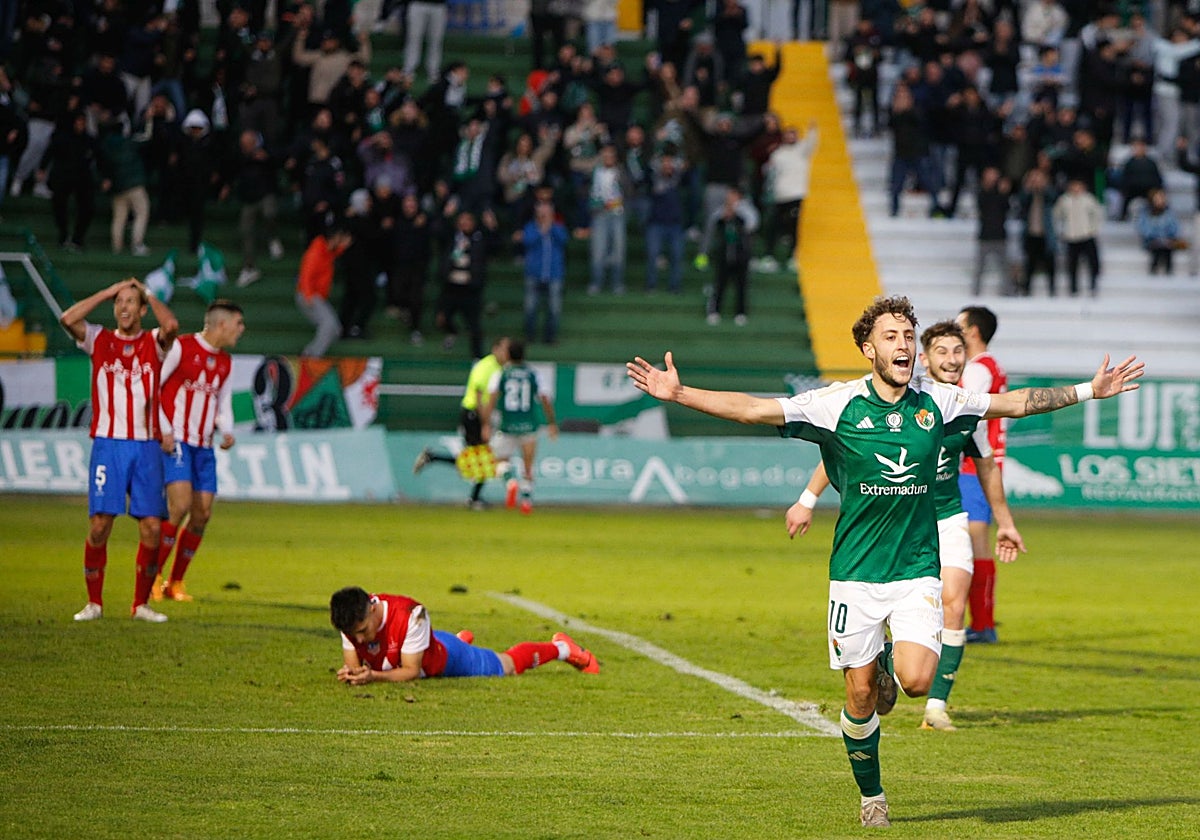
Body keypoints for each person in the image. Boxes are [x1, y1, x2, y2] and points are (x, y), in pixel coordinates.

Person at [626, 295, 1142, 828]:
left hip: (917, 567)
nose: (903, 345)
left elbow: (1013, 403)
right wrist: (679, 393)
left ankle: (894, 659)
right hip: (854, 575)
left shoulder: (939, 401)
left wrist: (1088, 390)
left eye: (906, 335)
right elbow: (754, 409)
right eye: (891, 336)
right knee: (859, 695)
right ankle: (872, 795)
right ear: (867, 347)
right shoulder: (836, 404)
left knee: (917, 682)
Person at [785, 320, 1024, 731]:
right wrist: (808, 499)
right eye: (943, 352)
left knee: (953, 604)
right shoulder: (906, 402)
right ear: (926, 360)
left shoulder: (961, 408)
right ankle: (886, 656)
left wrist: (1005, 522)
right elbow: (844, 452)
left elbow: (987, 467)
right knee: (937, 610)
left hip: (946, 520)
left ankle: (935, 704)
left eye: (958, 352)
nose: (952, 359)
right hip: (897, 524)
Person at [61, 278, 180, 623]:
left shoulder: (153, 344)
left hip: (145, 447)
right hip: (108, 445)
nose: (124, 308)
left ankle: (140, 604)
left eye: (131, 302)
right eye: (120, 302)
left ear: (143, 310)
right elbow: (67, 319)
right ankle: (94, 603)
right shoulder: (99, 339)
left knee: (152, 528)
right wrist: (105, 291)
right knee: (100, 525)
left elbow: (170, 325)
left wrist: (150, 292)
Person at [152, 300, 245, 603]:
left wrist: (227, 429)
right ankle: (151, 575)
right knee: (178, 506)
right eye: (238, 324)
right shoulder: (181, 348)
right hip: (177, 439)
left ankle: (175, 582)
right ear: (222, 324)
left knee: (202, 513)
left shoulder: (226, 363)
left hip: (204, 447)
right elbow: (156, 384)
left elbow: (223, 403)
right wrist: (163, 427)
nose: (240, 330)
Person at [330, 586, 599, 683]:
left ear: (373, 608)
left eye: (363, 631)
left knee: (507, 665)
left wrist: (373, 676)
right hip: (429, 643)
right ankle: (459, 640)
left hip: (446, 661)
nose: (360, 640)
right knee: (427, 644)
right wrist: (354, 675)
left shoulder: (411, 614)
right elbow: (356, 669)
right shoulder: (352, 621)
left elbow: (411, 671)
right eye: (354, 635)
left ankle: (562, 648)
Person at [955, 305, 1008, 645]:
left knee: (973, 545)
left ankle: (980, 623)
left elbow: (963, 408)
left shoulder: (977, 370)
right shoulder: (991, 367)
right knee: (971, 545)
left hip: (975, 467)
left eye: (958, 325)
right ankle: (978, 622)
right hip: (980, 467)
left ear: (973, 332)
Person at [413, 337, 511, 510]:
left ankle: (433, 458)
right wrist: (485, 423)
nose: (507, 354)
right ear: (495, 349)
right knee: (482, 457)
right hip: (473, 414)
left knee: (477, 459)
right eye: (504, 349)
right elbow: (479, 395)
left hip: (478, 415)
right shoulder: (486, 366)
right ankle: (473, 499)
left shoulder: (499, 368)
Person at [484, 340, 558, 515]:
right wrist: (552, 423)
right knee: (528, 466)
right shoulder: (533, 374)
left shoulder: (501, 374)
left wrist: (485, 424)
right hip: (529, 425)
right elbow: (545, 399)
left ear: (508, 354)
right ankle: (526, 501)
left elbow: (491, 399)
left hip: (507, 426)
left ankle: (510, 482)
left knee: (499, 461)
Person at [698, 185, 758, 326]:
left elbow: (752, 224)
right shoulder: (721, 211)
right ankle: (714, 311)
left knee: (741, 285)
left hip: (741, 254)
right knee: (720, 284)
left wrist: (736, 214)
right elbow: (713, 224)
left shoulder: (746, 210)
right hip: (724, 254)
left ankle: (740, 312)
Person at [296, 226, 353, 357]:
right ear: (332, 239)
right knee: (328, 324)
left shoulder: (326, 250)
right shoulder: (315, 253)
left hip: (318, 296)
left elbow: (332, 254)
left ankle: (317, 350)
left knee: (336, 330)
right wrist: (308, 296)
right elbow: (305, 275)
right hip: (309, 294)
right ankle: (310, 354)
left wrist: (343, 247)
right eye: (339, 237)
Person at [522, 200, 569, 344]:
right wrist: (541, 230)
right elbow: (528, 241)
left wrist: (550, 227)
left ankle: (550, 337)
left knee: (554, 308)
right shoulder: (530, 227)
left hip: (554, 274)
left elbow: (564, 240)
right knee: (530, 307)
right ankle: (529, 336)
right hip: (534, 274)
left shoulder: (558, 228)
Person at [1052, 178, 1103, 297]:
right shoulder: (1064, 200)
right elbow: (1056, 215)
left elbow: (1097, 215)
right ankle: (1073, 288)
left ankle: (1093, 285)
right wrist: (1062, 230)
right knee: (1072, 264)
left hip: (1087, 235)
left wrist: (1092, 229)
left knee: (1092, 262)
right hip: (1071, 235)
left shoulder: (1089, 199)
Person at [1135, 187, 1183, 275]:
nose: (1159, 201)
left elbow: (1175, 228)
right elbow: (1143, 228)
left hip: (1167, 240)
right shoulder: (1145, 214)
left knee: (1167, 248)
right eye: (1157, 198)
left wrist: (1167, 238)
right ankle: (1154, 269)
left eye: (1161, 198)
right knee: (1157, 247)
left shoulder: (1169, 213)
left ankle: (1169, 271)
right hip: (1151, 240)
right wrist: (1156, 236)